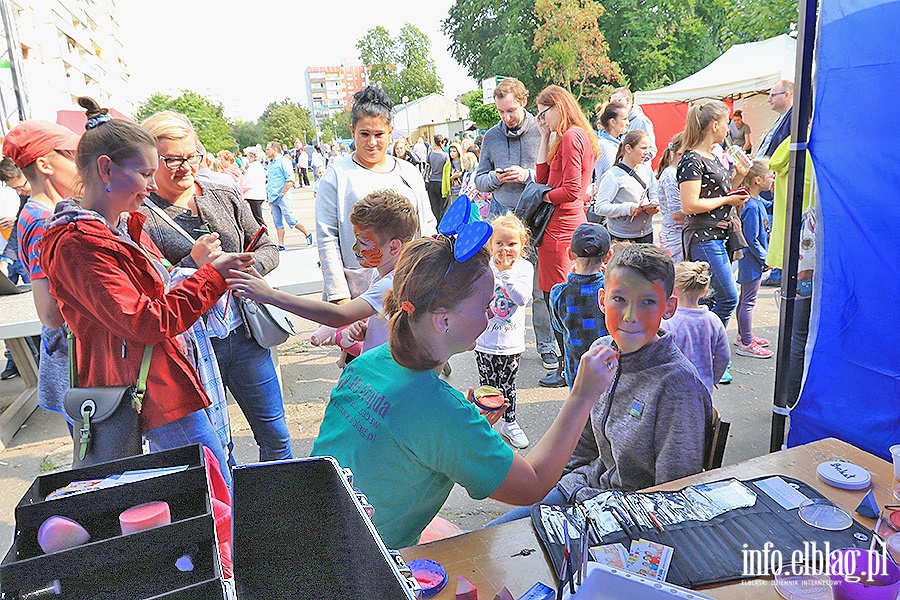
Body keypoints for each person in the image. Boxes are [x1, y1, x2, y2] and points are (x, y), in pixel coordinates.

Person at [310, 235, 620, 548]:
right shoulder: (444, 412)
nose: (489, 315)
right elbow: (533, 485)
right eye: (485, 307)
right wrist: (582, 394)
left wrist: (467, 430)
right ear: (443, 319)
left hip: (314, 525)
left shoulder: (371, 361)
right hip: (364, 561)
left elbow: (398, 440)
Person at [42, 98, 255, 485]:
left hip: (152, 381)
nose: (153, 185)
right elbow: (145, 320)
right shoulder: (79, 243)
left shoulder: (120, 229)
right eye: (144, 173)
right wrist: (212, 276)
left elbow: (155, 298)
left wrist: (202, 273)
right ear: (106, 169)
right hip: (144, 389)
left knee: (195, 486)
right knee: (212, 484)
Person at [492, 244, 711, 523]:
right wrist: (546, 491)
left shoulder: (677, 387)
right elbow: (582, 444)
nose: (631, 315)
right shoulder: (601, 352)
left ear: (669, 308)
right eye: (619, 299)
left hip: (626, 517)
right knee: (493, 535)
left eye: (648, 302)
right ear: (601, 299)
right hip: (583, 490)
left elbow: (672, 495)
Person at [139, 110, 293, 463]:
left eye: (192, 155)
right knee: (214, 450)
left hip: (244, 335)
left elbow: (267, 246)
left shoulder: (223, 193)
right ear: (150, 160)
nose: (185, 166)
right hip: (189, 349)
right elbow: (149, 291)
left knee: (276, 434)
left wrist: (243, 271)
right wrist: (195, 265)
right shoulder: (141, 214)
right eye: (172, 159)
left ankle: (281, 508)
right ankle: (233, 512)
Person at [228, 189, 417, 354]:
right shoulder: (384, 272)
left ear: (393, 247)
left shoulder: (390, 283)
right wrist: (370, 329)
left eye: (364, 243)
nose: (355, 249)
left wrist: (269, 295)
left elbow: (339, 315)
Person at [315, 86, 436, 307]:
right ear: (353, 131)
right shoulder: (337, 175)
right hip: (359, 293)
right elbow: (326, 238)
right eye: (364, 134)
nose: (372, 142)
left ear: (390, 131)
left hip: (410, 289)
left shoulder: (409, 172)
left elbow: (427, 226)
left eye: (379, 134)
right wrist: (341, 297)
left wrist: (431, 277)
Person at [474, 78, 557, 380]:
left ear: (523, 102)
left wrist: (527, 175)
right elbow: (479, 180)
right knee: (496, 280)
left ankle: (545, 343)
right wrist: (495, 178)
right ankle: (492, 337)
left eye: (510, 110)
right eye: (500, 112)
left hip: (534, 217)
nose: (506, 117)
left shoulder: (542, 129)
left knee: (535, 285)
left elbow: (552, 175)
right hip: (501, 218)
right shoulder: (491, 137)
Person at [2, 120, 82, 421]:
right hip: (74, 361)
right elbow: (50, 314)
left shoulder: (42, 213)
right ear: (45, 164)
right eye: (73, 156)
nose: (81, 165)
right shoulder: (43, 221)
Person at [677, 100, 749, 385]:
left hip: (717, 236)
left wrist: (740, 175)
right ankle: (708, 350)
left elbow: (717, 191)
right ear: (714, 125)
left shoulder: (714, 155)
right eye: (726, 121)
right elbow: (690, 204)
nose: (730, 127)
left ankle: (698, 351)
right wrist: (729, 199)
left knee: (706, 297)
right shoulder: (692, 158)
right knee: (728, 297)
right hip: (705, 237)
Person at [534, 85, 600, 387]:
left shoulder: (573, 136)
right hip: (560, 228)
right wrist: (545, 136)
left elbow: (570, 190)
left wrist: (542, 197)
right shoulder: (569, 135)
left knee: (559, 299)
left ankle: (569, 368)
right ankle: (568, 366)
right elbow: (542, 178)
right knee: (558, 298)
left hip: (562, 228)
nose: (540, 117)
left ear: (558, 106)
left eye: (544, 111)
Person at [474, 214, 533, 449]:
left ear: (522, 245)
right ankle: (483, 426)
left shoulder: (524, 268)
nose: (505, 249)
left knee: (507, 386)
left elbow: (521, 298)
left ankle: (510, 423)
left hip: (512, 342)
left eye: (512, 244)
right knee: (486, 386)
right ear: (490, 244)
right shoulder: (484, 266)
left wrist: (506, 274)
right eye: (499, 243)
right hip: (484, 340)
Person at [549, 222, 611, 388]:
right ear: (609, 255)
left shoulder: (559, 292)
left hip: (577, 369)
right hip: (608, 367)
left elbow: (558, 326)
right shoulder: (610, 290)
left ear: (570, 254)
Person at [664, 261, 730, 395]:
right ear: (704, 291)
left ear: (673, 290)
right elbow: (723, 356)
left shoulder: (667, 321)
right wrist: (714, 378)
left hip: (672, 389)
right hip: (703, 388)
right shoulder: (713, 320)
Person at [735, 159, 774, 358]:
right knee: (748, 301)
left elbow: (772, 204)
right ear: (758, 180)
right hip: (752, 260)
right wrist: (764, 259)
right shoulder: (750, 206)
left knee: (745, 299)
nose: (773, 179)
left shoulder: (757, 201)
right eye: (771, 176)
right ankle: (746, 342)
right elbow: (751, 239)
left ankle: (743, 334)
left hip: (753, 260)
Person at [592, 130, 659, 243]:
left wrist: (654, 206)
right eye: (643, 148)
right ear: (628, 148)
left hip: (646, 233)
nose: (647, 152)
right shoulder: (612, 175)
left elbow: (654, 194)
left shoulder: (646, 170)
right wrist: (627, 208)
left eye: (648, 148)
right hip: (622, 237)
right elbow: (599, 207)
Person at [264, 141, 312, 249]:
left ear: (275, 150)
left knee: (291, 219)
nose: (266, 151)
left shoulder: (283, 161)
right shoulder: (270, 163)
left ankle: (307, 234)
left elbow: (290, 179)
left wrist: (282, 193)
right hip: (272, 196)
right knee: (277, 222)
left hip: (282, 196)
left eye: (268, 149)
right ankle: (281, 244)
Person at [656, 133, 686, 262]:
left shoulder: (678, 173)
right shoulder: (671, 175)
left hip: (680, 236)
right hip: (675, 239)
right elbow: (676, 214)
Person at [609, 87, 656, 162]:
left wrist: (633, 162)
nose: (614, 107)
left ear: (627, 100)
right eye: (611, 104)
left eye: (617, 102)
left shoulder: (641, 121)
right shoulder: (615, 121)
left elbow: (651, 150)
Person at [756, 80, 794, 158]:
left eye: (772, 95)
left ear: (786, 95)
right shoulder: (783, 117)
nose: (769, 100)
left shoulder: (794, 118)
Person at [593, 101, 629, 180]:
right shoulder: (604, 146)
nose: (628, 123)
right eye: (624, 119)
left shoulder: (615, 143)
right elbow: (613, 176)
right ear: (613, 122)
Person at [241, 146, 267, 227]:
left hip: (254, 195)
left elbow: (249, 182)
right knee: (257, 217)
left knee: (258, 218)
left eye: (248, 156)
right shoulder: (259, 166)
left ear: (252, 157)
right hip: (259, 194)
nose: (247, 158)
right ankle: (263, 234)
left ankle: (265, 234)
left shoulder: (253, 167)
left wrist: (242, 189)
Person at [425, 134, 449, 221]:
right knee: (443, 207)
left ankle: (436, 225)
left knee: (434, 207)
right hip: (442, 182)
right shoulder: (445, 155)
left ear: (434, 143)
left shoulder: (431, 154)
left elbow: (427, 167)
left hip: (432, 182)